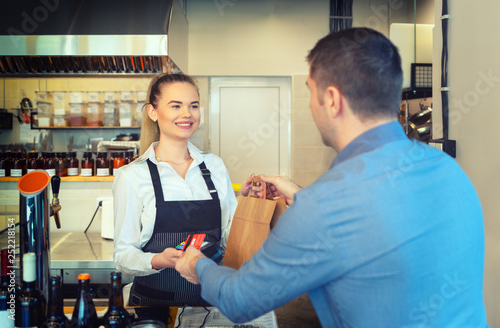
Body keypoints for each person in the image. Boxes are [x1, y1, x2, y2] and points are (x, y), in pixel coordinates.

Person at [175, 28, 489, 327]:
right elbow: (373, 218)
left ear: (333, 100)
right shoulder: (447, 168)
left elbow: (239, 300)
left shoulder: (325, 206)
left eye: (311, 93)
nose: (311, 106)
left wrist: (197, 265)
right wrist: (300, 195)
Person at [113, 73, 237, 306]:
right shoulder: (132, 176)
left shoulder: (214, 166)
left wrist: (252, 208)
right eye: (176, 106)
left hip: (211, 303)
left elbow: (230, 238)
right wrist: (158, 260)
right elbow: (122, 257)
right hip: (153, 308)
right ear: (153, 112)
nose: (187, 114)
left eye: (193, 105)